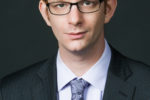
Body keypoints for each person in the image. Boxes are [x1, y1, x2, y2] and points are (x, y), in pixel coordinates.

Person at [0, 0, 150, 99]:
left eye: (87, 3)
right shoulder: (8, 93)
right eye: (60, 5)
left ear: (108, 8)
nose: (75, 19)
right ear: (46, 14)